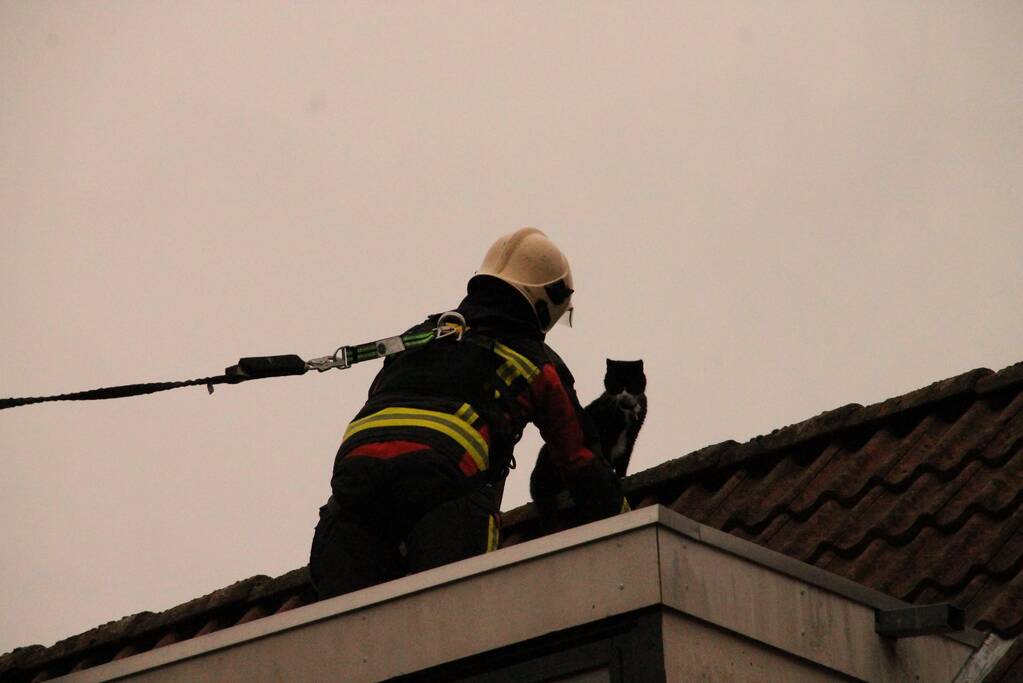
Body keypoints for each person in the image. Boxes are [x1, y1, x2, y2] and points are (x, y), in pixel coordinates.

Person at [308, 227, 626, 599]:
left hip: (352, 490)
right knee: (453, 616)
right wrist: (629, 524)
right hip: (446, 487)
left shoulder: (417, 337)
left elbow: (383, 403)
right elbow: (579, 459)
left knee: (345, 622)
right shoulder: (538, 362)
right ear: (546, 302)